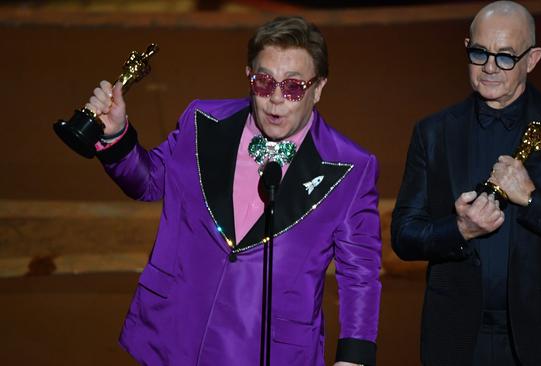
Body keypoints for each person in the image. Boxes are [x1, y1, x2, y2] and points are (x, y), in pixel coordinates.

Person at [84, 16, 381, 366]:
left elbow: (359, 273)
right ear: (248, 76)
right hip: (174, 335)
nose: (274, 99)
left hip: (271, 351)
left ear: (318, 89)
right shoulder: (202, 121)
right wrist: (115, 136)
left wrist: (355, 357)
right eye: (264, 81)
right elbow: (149, 182)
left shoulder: (351, 167)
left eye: (293, 87)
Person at [390, 1, 541, 365]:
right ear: (467, 47)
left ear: (533, 58)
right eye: (480, 53)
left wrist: (533, 199)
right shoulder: (433, 133)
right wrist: (459, 229)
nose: (490, 67)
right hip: (455, 340)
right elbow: (403, 235)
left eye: (506, 56)